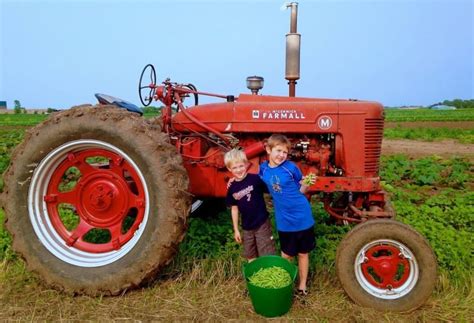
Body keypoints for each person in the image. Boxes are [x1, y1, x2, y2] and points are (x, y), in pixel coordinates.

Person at [259, 134, 316, 295]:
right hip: (284, 219)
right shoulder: (263, 168)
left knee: (303, 253)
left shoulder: (291, 168)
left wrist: (306, 184)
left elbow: (301, 190)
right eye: (278, 150)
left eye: (284, 152)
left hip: (302, 216)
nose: (281, 155)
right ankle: (285, 285)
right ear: (268, 149)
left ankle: (302, 286)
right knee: (286, 255)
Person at [224, 149, 276, 262]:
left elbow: (271, 190)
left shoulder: (255, 179)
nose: (238, 170)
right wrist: (236, 229)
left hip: (261, 222)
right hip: (246, 226)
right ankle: (255, 276)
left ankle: (269, 275)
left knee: (266, 252)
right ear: (229, 169)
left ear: (246, 164)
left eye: (241, 166)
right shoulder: (232, 187)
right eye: (234, 168)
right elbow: (234, 208)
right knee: (250, 254)